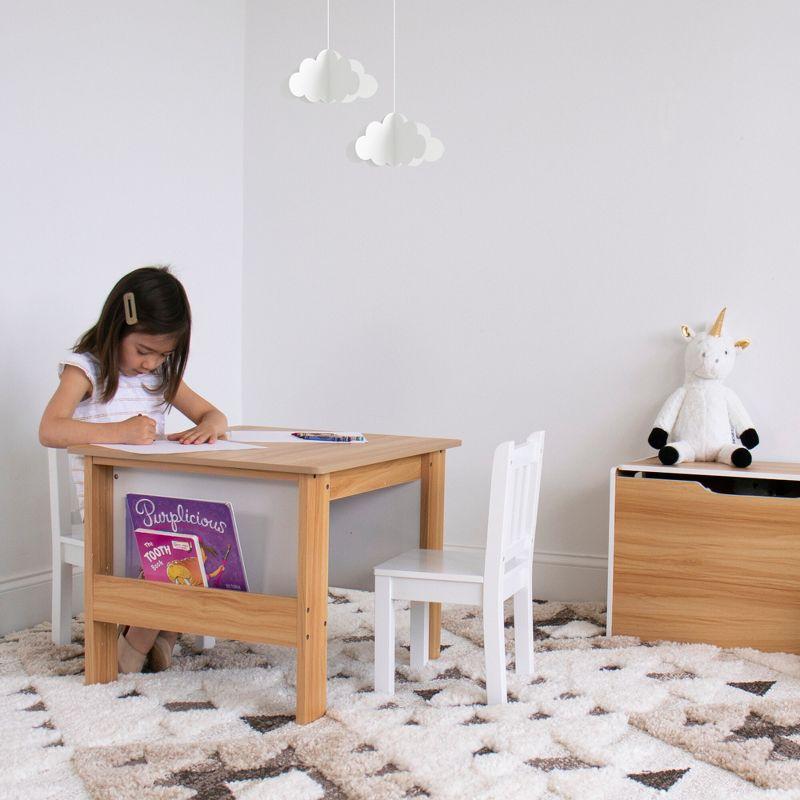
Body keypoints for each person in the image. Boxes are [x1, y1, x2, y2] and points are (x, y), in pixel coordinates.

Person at [39, 265, 228, 673]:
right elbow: (50, 428)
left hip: (157, 508)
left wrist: (210, 425)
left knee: (214, 534)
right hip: (110, 510)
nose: (151, 363)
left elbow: (212, 413)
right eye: (144, 351)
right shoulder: (85, 370)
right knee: (182, 547)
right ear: (116, 328)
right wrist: (119, 431)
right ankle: (142, 640)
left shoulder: (159, 377)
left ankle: (155, 632)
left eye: (163, 354)